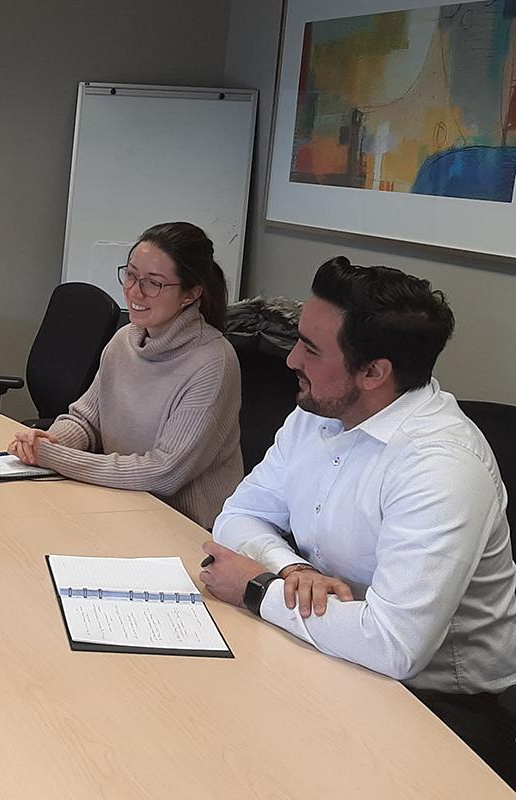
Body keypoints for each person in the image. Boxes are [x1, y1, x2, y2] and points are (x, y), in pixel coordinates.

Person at [201, 257, 516, 786]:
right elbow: (239, 514)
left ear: (374, 372)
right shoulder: (316, 413)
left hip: (442, 708)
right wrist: (290, 570)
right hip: (329, 651)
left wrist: (257, 589)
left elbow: (394, 647)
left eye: (312, 349)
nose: (290, 359)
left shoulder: (440, 465)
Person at [8, 221, 242, 528]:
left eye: (153, 283)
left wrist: (54, 457)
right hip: (124, 505)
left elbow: (163, 473)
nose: (134, 291)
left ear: (190, 294)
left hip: (185, 527)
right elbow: (87, 422)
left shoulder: (213, 363)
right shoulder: (124, 340)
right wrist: (52, 440)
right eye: (131, 275)